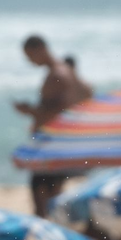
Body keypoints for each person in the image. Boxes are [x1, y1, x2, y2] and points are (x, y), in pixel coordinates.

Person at [14, 35, 84, 217]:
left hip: (52, 146)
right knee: (52, 198)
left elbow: (57, 113)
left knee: (43, 200)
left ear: (41, 49)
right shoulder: (67, 72)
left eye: (30, 56)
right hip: (61, 144)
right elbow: (84, 95)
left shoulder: (57, 75)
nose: (30, 61)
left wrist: (30, 111)